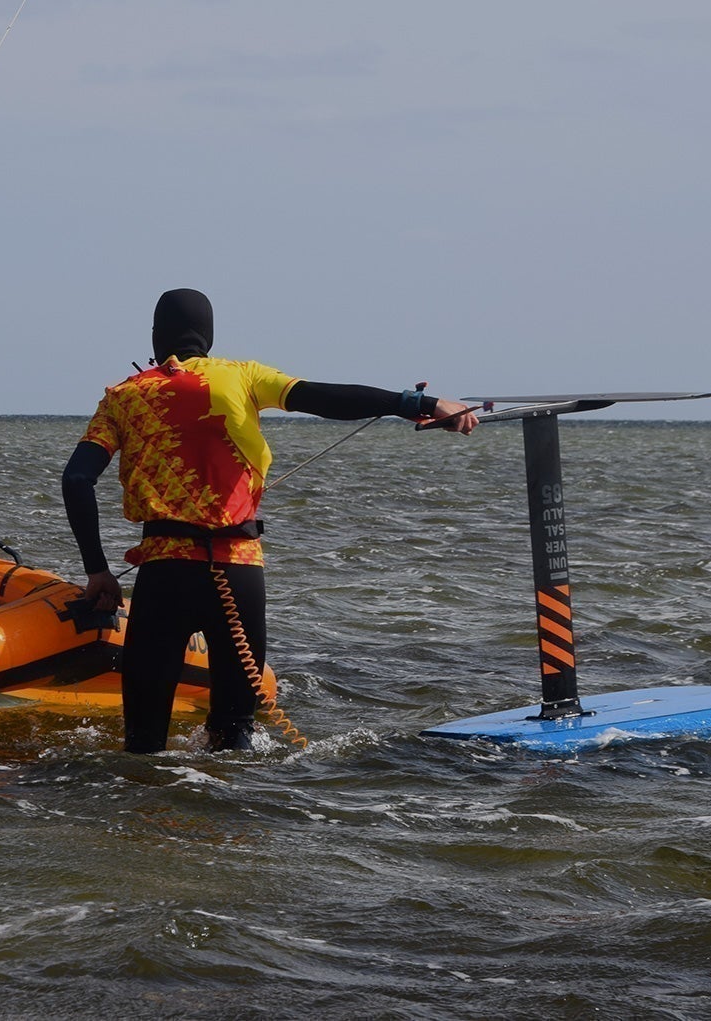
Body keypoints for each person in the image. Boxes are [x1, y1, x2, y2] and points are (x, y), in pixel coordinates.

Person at [61, 288, 476, 753]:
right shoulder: (243, 376)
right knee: (236, 739)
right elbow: (325, 398)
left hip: (164, 576)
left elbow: (77, 479)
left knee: (143, 745)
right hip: (239, 573)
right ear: (209, 337)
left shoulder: (122, 397)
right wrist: (418, 403)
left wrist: (98, 571)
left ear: (156, 338)